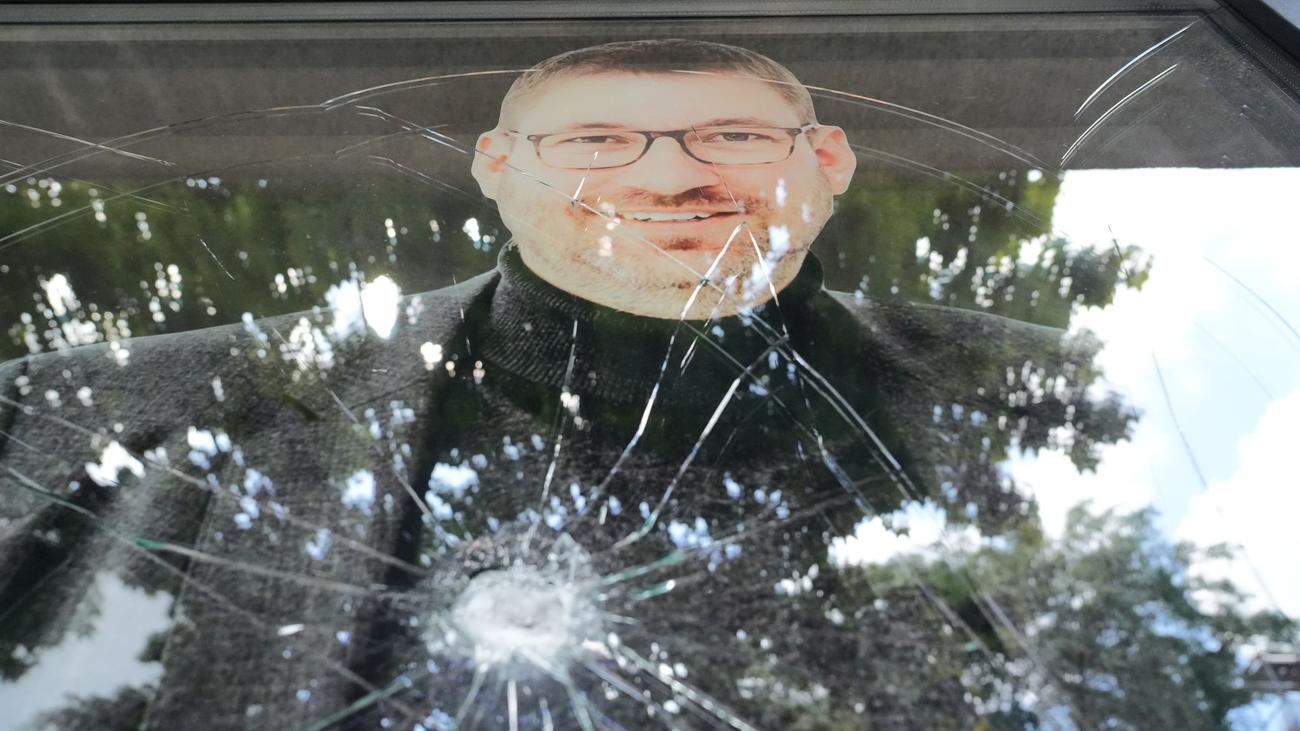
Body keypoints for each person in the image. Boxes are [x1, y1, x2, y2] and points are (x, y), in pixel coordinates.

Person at [0, 39, 1127, 730]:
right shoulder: (89, 415)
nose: (673, 175)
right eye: (595, 142)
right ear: (496, 169)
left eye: (733, 134)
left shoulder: (1085, 402)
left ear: (825, 160)